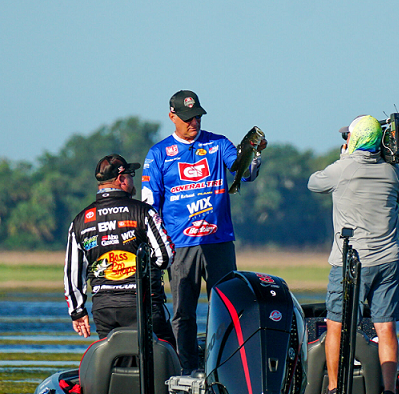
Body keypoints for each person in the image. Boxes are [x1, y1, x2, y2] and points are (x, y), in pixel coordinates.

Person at [141, 90, 264, 373]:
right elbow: (150, 205)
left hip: (219, 241)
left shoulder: (219, 143)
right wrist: (154, 245)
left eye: (197, 116)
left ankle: (224, 367)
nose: (193, 122)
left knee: (227, 308)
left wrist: (255, 154)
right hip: (180, 244)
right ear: (172, 116)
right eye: (187, 118)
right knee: (183, 312)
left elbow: (245, 173)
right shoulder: (159, 153)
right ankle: (187, 368)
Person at [307, 114, 399, 394]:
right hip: (388, 260)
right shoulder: (392, 172)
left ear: (356, 140)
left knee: (336, 324)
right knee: (385, 327)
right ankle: (390, 393)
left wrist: (344, 157)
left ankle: (334, 390)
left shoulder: (342, 169)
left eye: (348, 136)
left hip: (351, 262)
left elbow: (314, 183)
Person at [65, 154, 175, 340]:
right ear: (121, 179)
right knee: (167, 353)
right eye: (131, 175)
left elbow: (73, 273)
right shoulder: (144, 211)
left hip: (104, 309)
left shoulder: (79, 221)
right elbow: (165, 256)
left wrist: (77, 312)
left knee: (113, 355)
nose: (132, 180)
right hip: (143, 303)